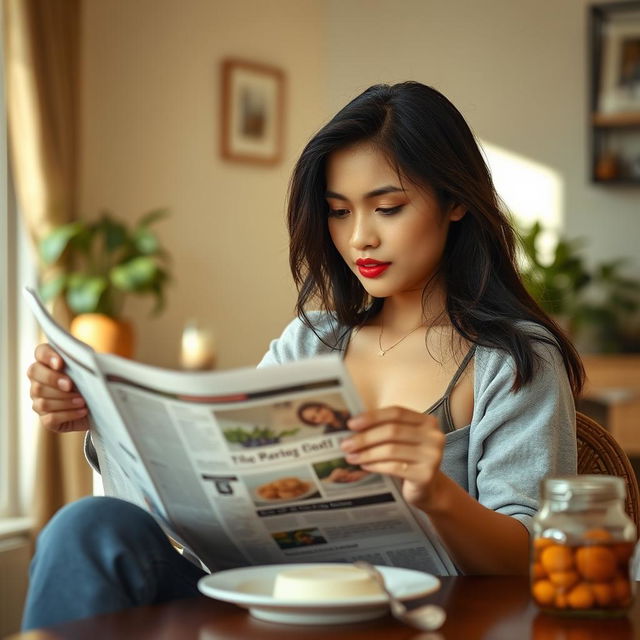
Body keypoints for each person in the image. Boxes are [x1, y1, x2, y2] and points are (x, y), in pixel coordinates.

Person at [23, 81, 583, 630]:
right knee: (88, 527)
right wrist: (100, 414)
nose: (359, 237)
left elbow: (535, 561)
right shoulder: (312, 339)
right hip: (261, 609)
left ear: (455, 200)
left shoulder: (512, 359)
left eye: (387, 207)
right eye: (339, 212)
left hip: (408, 622)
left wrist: (435, 494)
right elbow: (220, 486)